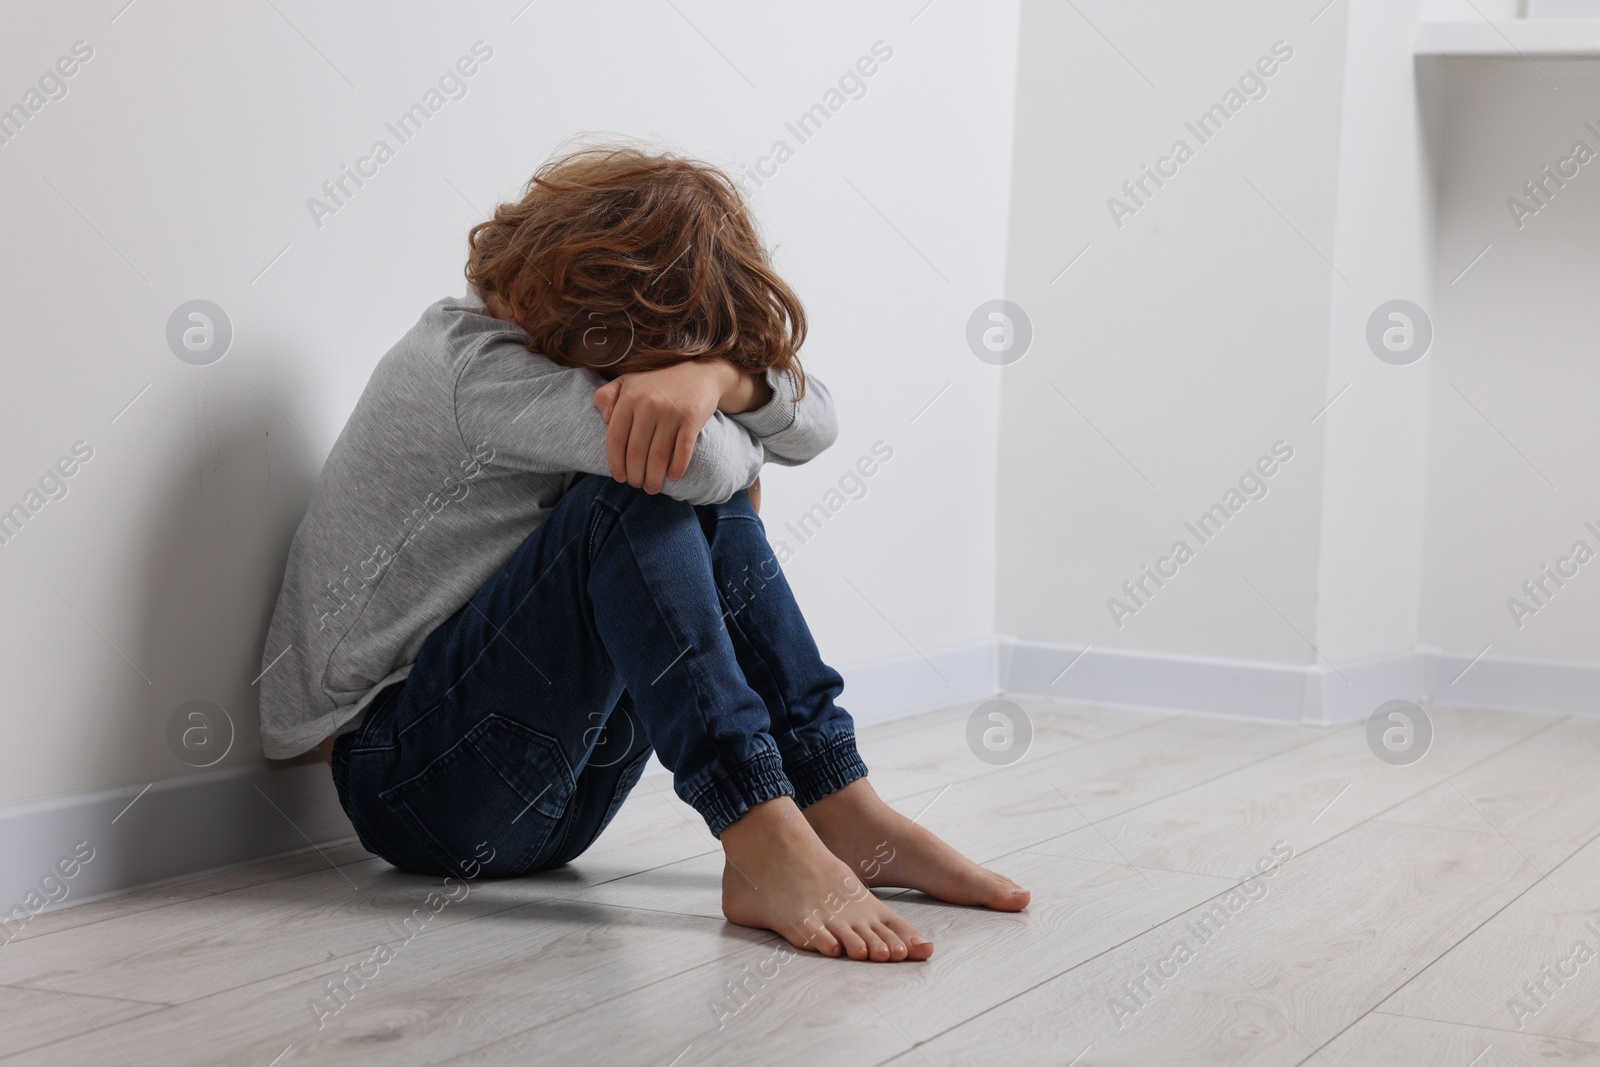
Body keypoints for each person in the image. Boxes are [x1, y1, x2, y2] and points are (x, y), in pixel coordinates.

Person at [258, 143, 1028, 963]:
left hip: (555, 785)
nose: (660, 376)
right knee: (644, 486)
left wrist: (721, 382)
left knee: (678, 486)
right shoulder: (471, 366)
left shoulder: (565, 343)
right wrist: (712, 404)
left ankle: (838, 800)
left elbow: (819, 417)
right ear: (536, 293)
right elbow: (701, 463)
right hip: (414, 789)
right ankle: (761, 829)